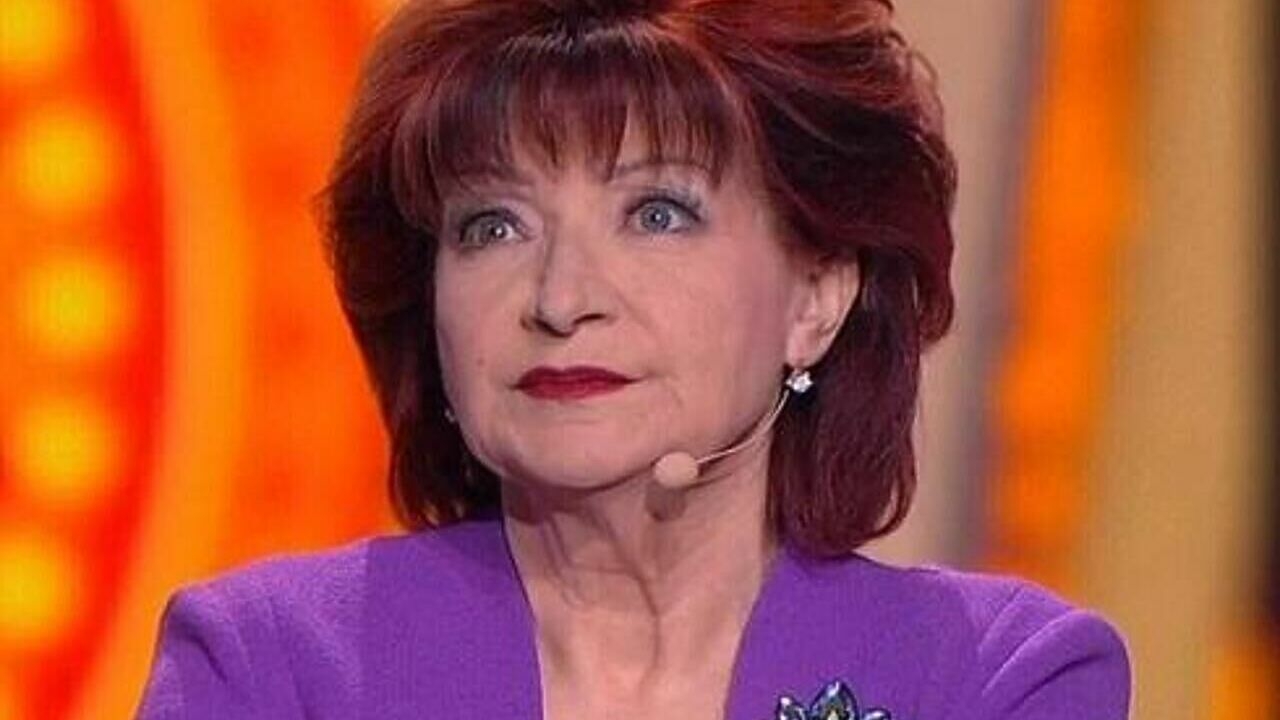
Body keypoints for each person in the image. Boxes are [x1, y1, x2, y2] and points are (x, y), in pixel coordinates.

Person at [136, 0, 1131, 718]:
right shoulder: (270, 669)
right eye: (492, 226)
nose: (561, 298)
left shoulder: (992, 681)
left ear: (817, 296)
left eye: (657, 213)